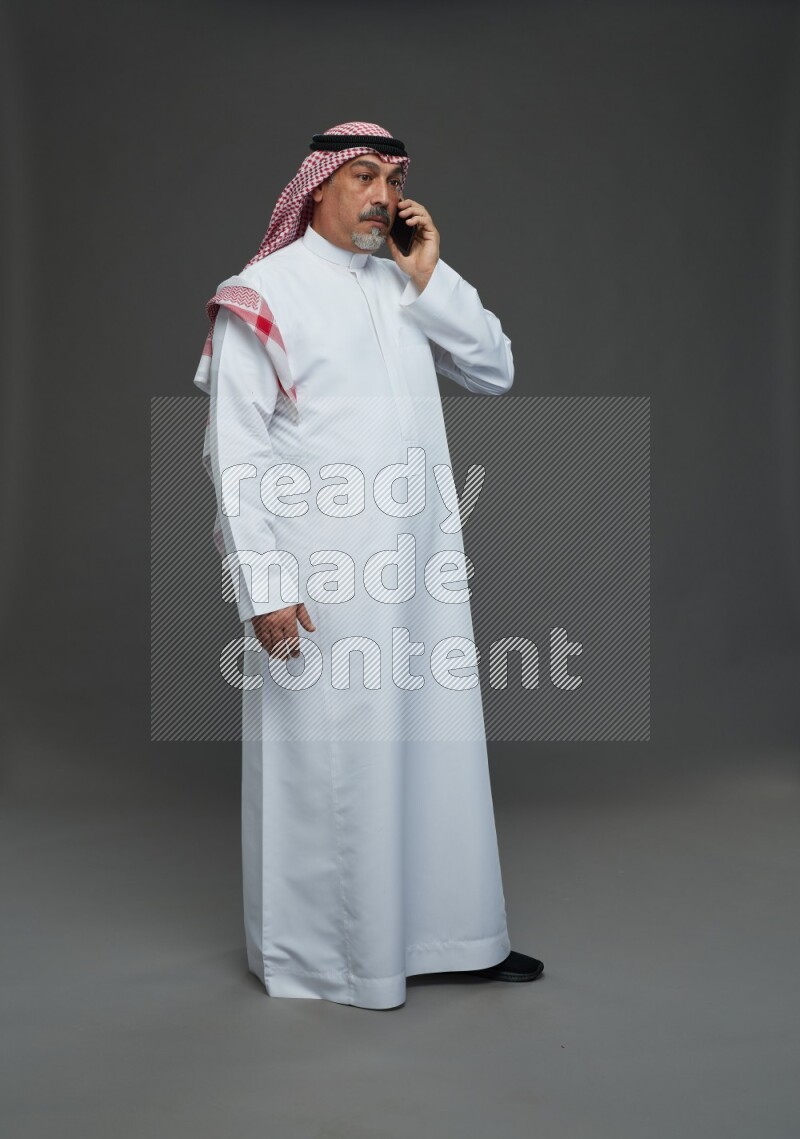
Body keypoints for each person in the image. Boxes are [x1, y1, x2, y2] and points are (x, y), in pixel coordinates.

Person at [193, 121, 544, 1009]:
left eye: (391, 176)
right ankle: (338, 961)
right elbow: (235, 452)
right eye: (361, 175)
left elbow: (495, 370)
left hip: (421, 571)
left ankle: (456, 938)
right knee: (335, 759)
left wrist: (430, 274)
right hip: (323, 582)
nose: (382, 193)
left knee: (437, 748)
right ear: (314, 189)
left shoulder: (404, 281)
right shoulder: (262, 291)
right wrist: (263, 587)